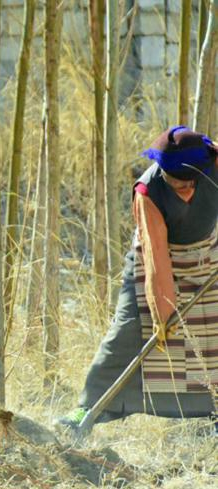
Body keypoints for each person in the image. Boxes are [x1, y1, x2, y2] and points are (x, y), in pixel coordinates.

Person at [58, 126, 217, 430]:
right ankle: (87, 410)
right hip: (154, 262)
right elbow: (157, 258)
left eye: (189, 184)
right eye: (175, 184)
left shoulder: (215, 162)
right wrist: (162, 316)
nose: (183, 190)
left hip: (207, 258)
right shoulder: (148, 192)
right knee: (128, 331)